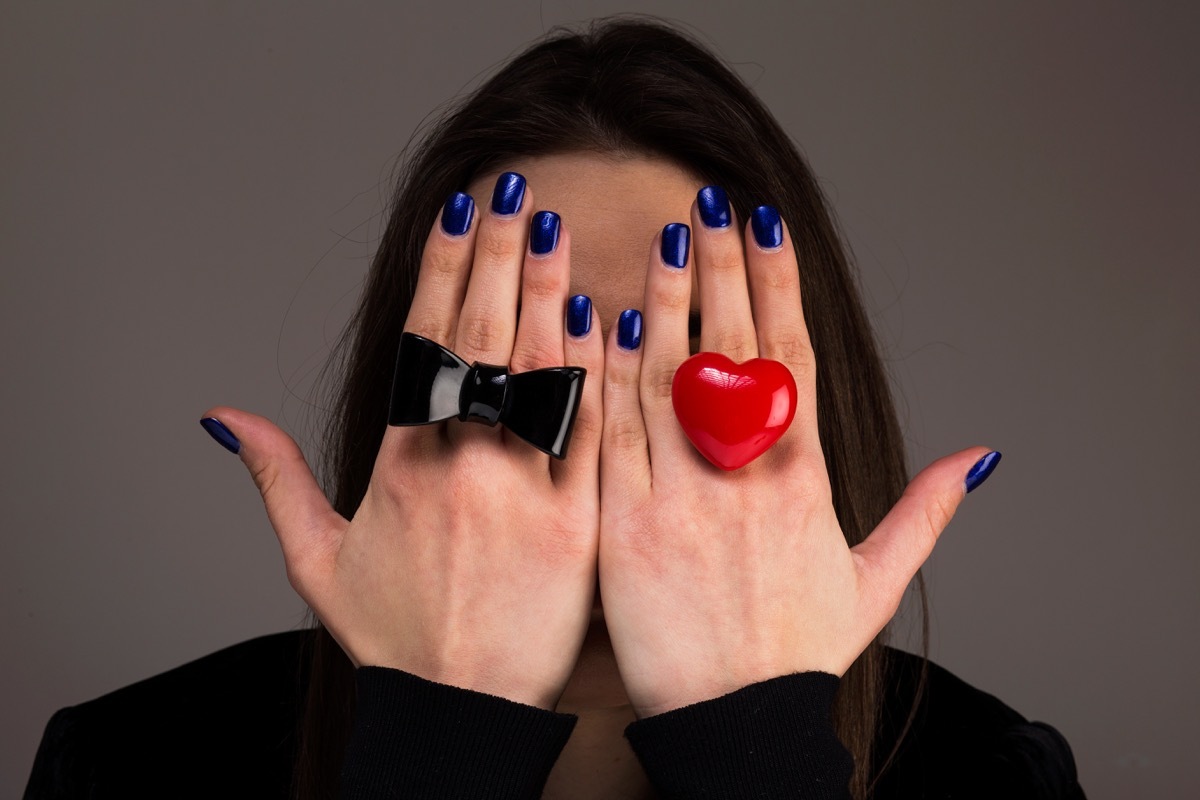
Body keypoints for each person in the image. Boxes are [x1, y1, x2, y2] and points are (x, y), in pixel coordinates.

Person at [24, 16, 1084, 800]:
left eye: (673, 356)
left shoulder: (994, 777)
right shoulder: (128, 767)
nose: (604, 449)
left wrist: (755, 747)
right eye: (527, 364)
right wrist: (439, 738)